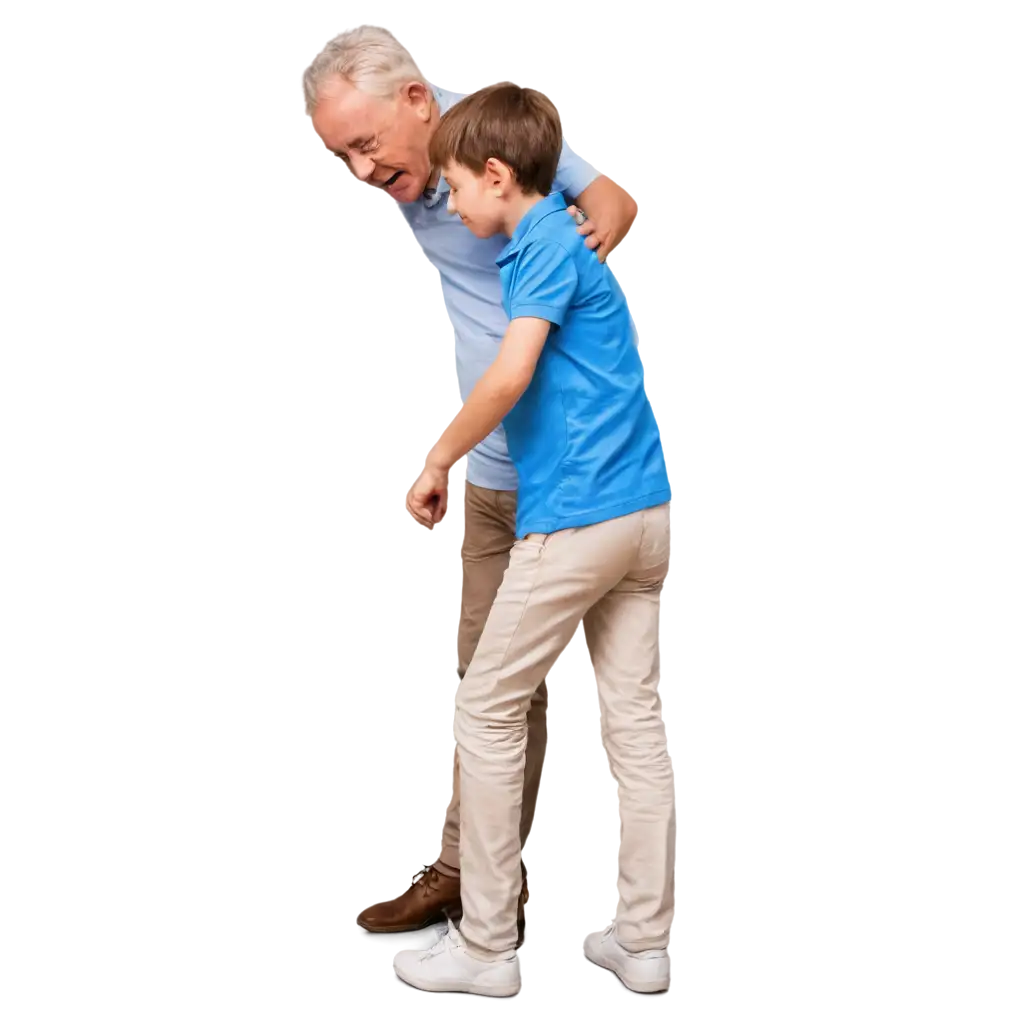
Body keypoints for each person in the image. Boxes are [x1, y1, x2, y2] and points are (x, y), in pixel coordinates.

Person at [297, 25, 638, 935]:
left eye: (366, 147)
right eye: (341, 161)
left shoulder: (491, 139)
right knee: (482, 683)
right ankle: (466, 877)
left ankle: (602, 917)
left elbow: (604, 193)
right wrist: (458, 454)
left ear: (419, 103)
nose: (363, 174)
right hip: (489, 468)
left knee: (604, 692)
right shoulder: (415, 163)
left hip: (569, 474)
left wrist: (595, 229)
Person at [391, 84, 675, 1000]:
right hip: (646, 516)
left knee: (483, 710)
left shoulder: (538, 248)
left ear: (497, 176)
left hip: (583, 517)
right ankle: (643, 938)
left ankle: (484, 946)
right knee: (634, 727)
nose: (451, 203)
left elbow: (510, 374)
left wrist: (440, 450)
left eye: (454, 187)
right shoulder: (562, 239)